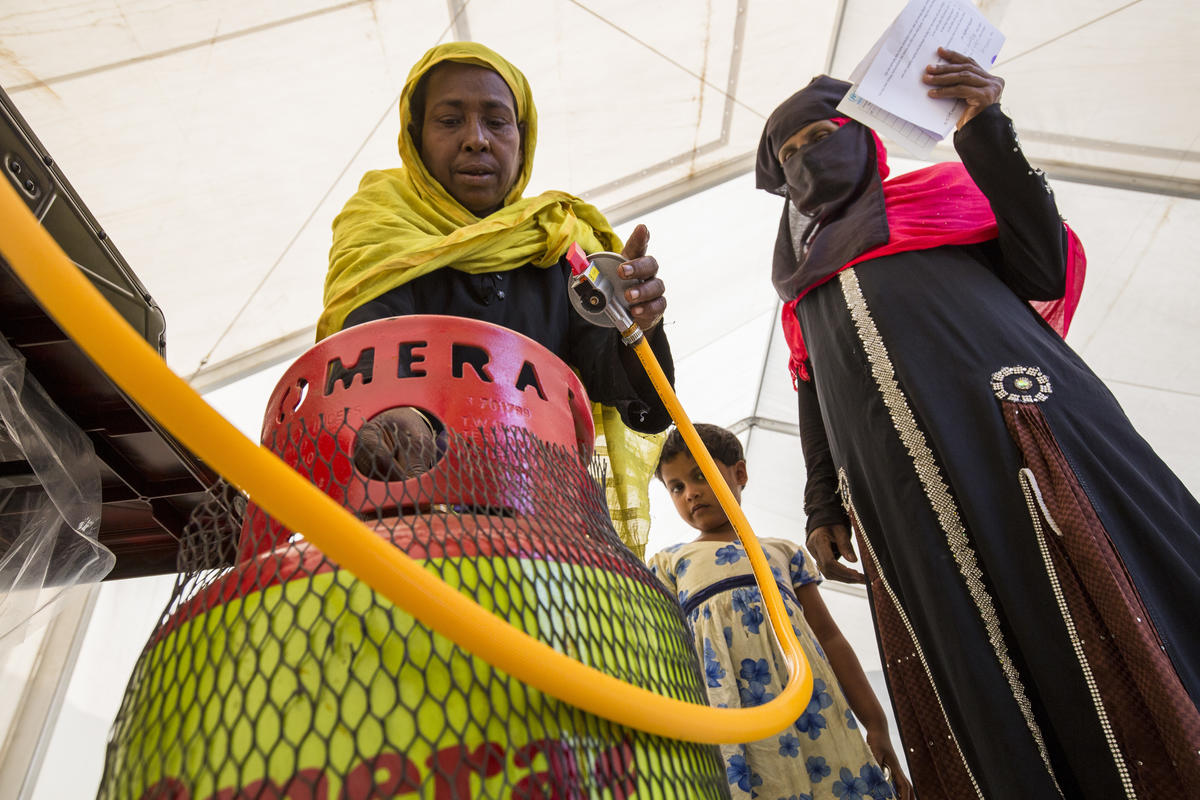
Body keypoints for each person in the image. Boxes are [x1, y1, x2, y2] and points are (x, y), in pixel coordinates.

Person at [755, 49, 1200, 798]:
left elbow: (1045, 268)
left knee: (1084, 600)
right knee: (976, 652)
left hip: (1015, 443)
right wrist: (824, 502)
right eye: (790, 154)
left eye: (824, 134)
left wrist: (985, 127)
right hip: (903, 498)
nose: (809, 159)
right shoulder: (800, 288)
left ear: (865, 133)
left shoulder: (950, 195)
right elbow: (812, 394)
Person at [317, 42, 673, 557]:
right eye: (449, 120)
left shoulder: (562, 248)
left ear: (523, 140)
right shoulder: (380, 231)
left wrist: (636, 322)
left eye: (497, 122)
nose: (475, 140)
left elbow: (646, 407)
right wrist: (392, 416)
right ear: (415, 139)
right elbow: (365, 357)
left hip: (547, 542)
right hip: (404, 537)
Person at [647, 423, 912, 800]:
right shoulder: (670, 564)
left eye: (700, 475)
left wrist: (876, 723)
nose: (690, 493)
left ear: (739, 473)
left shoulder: (784, 553)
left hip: (815, 716)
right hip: (735, 730)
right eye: (676, 487)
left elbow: (831, 639)